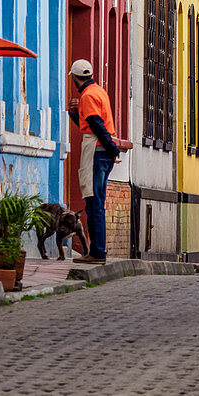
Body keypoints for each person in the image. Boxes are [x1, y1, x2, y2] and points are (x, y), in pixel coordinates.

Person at [67, 59, 121, 265]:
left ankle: (97, 252)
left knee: (93, 202)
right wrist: (75, 114)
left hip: (96, 150)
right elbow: (90, 122)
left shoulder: (87, 96)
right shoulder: (98, 91)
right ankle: (98, 250)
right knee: (97, 201)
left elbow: (96, 125)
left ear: (74, 78)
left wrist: (111, 146)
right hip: (102, 150)